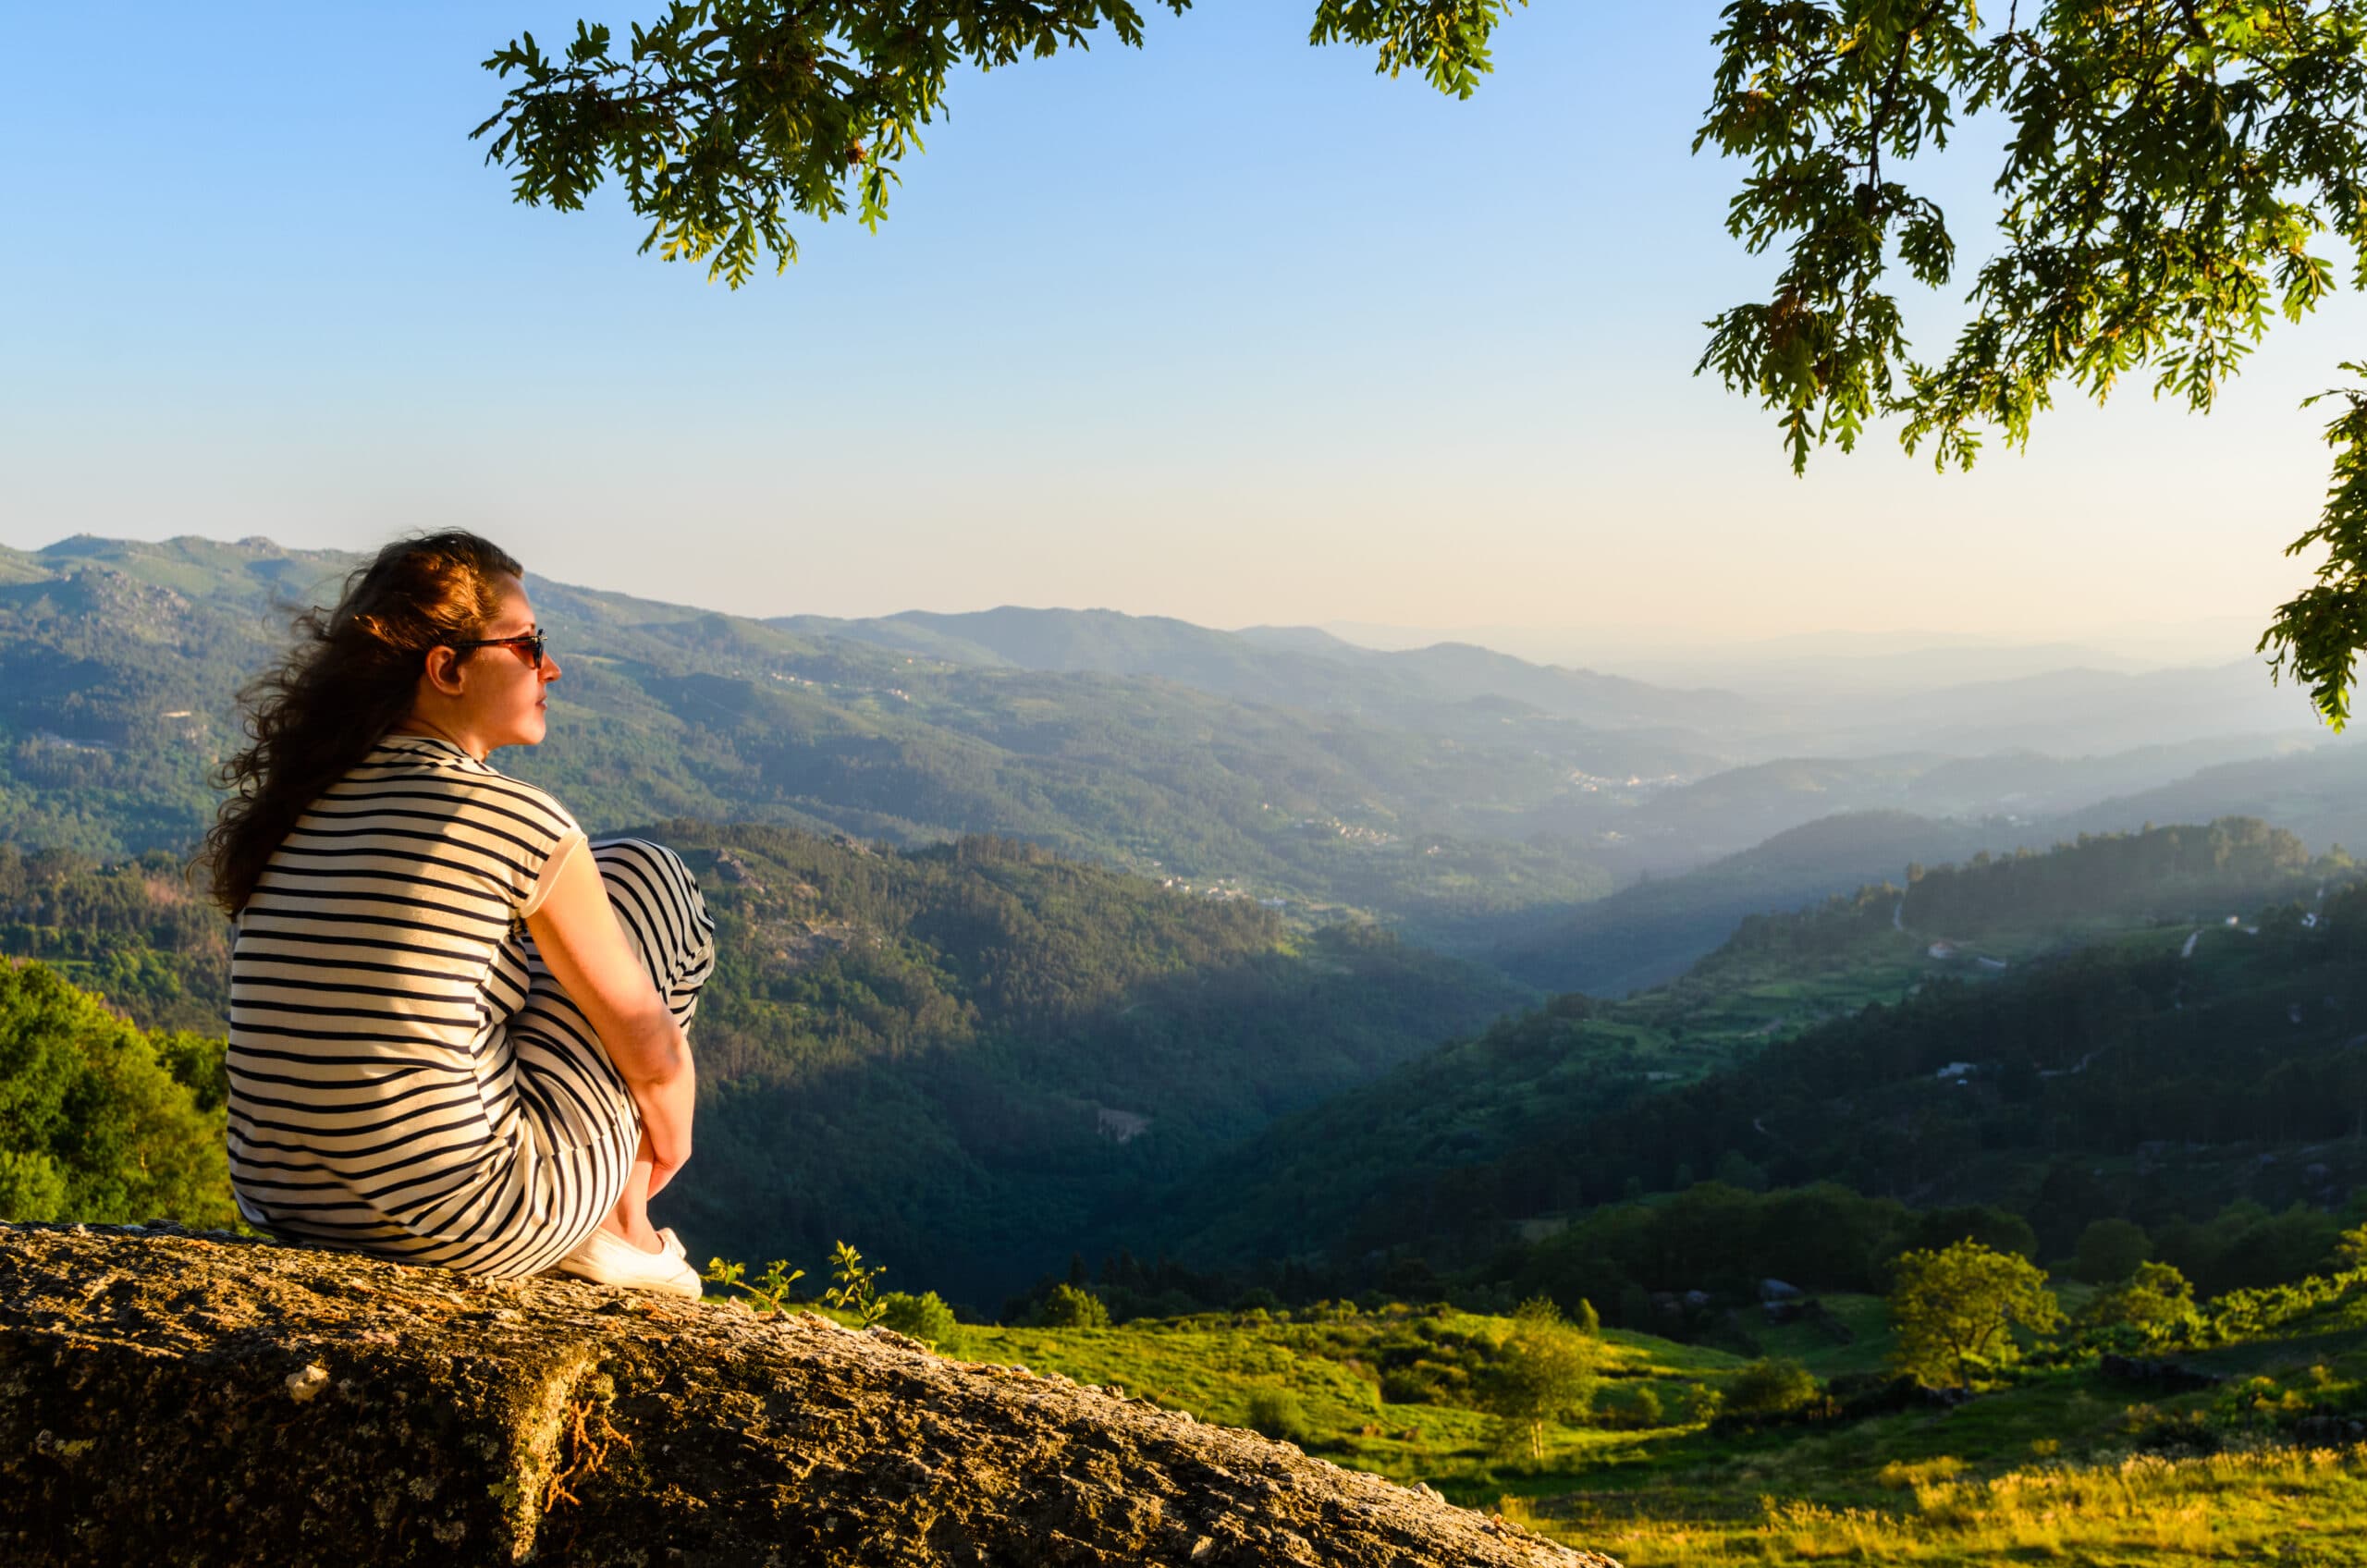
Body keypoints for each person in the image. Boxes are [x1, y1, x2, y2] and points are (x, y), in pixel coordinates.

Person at [196, 531, 712, 1297]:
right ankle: (624, 1226)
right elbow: (649, 1044)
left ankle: (603, 1216)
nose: (551, 667)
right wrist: (663, 1146)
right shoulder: (517, 821)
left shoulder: (297, 810)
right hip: (480, 1216)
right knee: (647, 874)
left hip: (286, 1205)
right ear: (447, 668)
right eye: (529, 645)